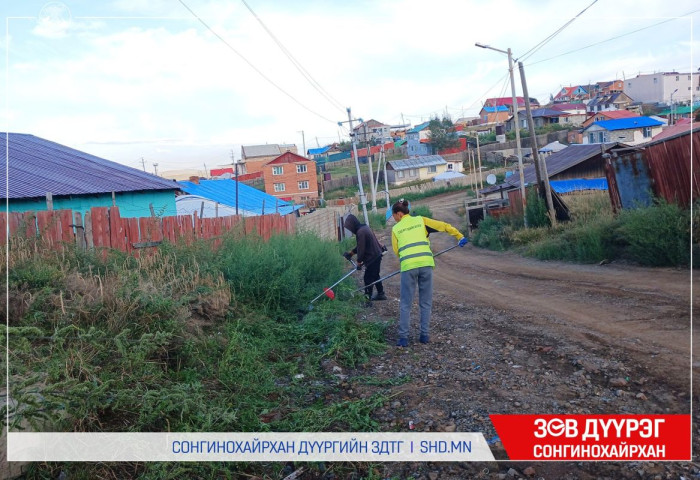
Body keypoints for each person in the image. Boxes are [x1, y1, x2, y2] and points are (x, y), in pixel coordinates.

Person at [390, 199, 468, 347]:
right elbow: (443, 226)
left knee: (406, 303)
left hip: (408, 267)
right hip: (426, 264)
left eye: (394, 216)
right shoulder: (421, 220)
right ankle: (424, 336)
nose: (394, 219)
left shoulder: (396, 229)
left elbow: (396, 250)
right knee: (425, 302)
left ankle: (403, 339)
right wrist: (460, 236)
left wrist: (408, 259)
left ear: (399, 214)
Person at [343, 214, 387, 301]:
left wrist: (359, 262)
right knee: (375, 276)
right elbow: (360, 246)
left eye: (349, 227)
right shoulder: (364, 228)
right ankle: (381, 294)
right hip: (376, 255)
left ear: (352, 225)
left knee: (368, 278)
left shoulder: (361, 232)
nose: (350, 230)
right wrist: (351, 253)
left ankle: (367, 300)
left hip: (373, 257)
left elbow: (361, 249)